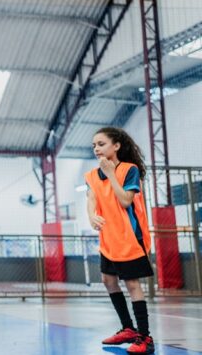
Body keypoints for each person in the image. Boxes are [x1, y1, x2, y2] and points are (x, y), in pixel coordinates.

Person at [86, 127, 154, 354]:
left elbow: (125, 200)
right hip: (108, 239)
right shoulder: (93, 175)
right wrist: (91, 215)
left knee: (133, 285)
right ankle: (128, 328)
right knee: (108, 280)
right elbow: (91, 198)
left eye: (101, 144)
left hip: (129, 239)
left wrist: (112, 174)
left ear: (116, 146)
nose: (96, 148)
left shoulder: (129, 170)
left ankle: (145, 337)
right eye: (94, 145)